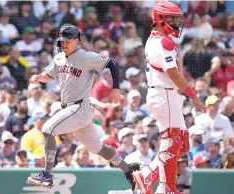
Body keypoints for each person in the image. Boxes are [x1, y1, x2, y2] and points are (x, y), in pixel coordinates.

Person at [27, 24, 139, 189]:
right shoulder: (59, 58)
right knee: (97, 148)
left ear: (76, 40)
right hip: (71, 109)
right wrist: (38, 78)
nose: (63, 44)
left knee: (47, 129)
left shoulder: (86, 57)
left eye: (67, 40)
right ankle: (128, 170)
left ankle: (47, 175)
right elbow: (49, 75)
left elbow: (113, 64)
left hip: (80, 106)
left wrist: (116, 87)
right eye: (61, 41)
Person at [132, 2, 206, 194]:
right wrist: (193, 95)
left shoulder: (156, 39)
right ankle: (166, 189)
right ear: (160, 19)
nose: (176, 23)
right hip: (164, 93)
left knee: (183, 143)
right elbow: (173, 73)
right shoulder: (162, 42)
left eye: (176, 19)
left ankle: (146, 176)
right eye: (172, 19)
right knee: (172, 141)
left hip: (167, 94)